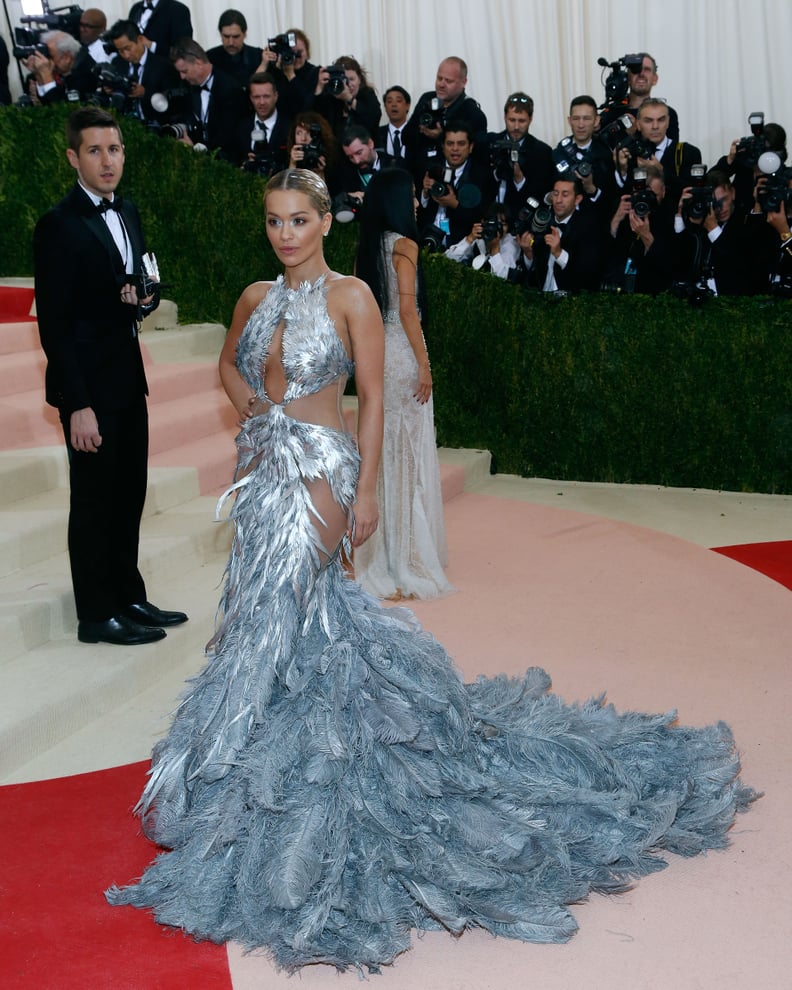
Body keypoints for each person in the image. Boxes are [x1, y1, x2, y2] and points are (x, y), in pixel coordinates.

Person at [106, 166, 755, 974]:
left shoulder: (351, 299)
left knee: (283, 609)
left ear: (324, 223)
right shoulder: (252, 295)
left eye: (299, 220)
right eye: (274, 220)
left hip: (323, 476)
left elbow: (372, 397)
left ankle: (269, 765)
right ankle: (269, 763)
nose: (285, 233)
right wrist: (255, 410)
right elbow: (230, 370)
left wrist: (366, 487)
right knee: (275, 618)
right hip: (265, 473)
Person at [33, 107, 188, 645]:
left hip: (127, 377)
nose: (107, 160)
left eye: (115, 149)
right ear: (74, 157)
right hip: (88, 389)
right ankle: (96, 614)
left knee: (128, 493)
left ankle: (127, 594)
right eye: (95, 151)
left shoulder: (130, 212)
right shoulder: (58, 225)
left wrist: (143, 298)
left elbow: (138, 282)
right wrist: (76, 404)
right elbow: (53, 324)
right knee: (94, 502)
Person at [353, 168, 452, 600]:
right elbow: (408, 314)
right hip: (402, 354)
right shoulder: (405, 246)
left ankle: (380, 557)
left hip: (375, 355)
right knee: (406, 456)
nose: (416, 203)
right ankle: (406, 557)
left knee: (379, 452)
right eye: (411, 195)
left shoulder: (365, 250)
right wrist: (425, 366)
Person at [169, 38, 248, 158]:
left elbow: (229, 134)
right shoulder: (185, 87)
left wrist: (197, 150)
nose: (182, 77)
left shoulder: (230, 88)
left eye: (185, 71)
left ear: (199, 63)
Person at [488, 91, 555, 215]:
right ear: (504, 117)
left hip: (521, 224)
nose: (516, 126)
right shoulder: (489, 143)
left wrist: (519, 180)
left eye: (522, 121)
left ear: (530, 119)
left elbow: (541, 197)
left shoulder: (542, 152)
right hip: (487, 220)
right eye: (512, 120)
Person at [107, 19, 180, 124]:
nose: (126, 55)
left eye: (128, 48)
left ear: (140, 39)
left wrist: (145, 94)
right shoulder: (117, 63)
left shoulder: (163, 66)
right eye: (120, 51)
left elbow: (173, 103)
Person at [229, 71, 290, 173]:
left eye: (266, 96)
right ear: (250, 98)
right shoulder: (241, 127)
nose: (262, 102)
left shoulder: (289, 128)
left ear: (276, 96)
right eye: (257, 97)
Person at [312, 55, 382, 143]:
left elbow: (373, 119)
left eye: (352, 79)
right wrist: (319, 87)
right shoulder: (331, 97)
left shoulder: (367, 94)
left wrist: (349, 98)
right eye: (343, 79)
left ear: (359, 79)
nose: (348, 84)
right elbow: (314, 118)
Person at [206, 8, 263, 87]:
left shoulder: (259, 57)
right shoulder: (209, 58)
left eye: (236, 37)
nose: (231, 42)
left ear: (245, 34)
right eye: (226, 36)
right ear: (220, 33)